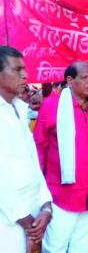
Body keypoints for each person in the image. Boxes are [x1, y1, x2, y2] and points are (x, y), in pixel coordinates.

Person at [34, 61, 88, 253]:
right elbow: (38, 150)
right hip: (61, 195)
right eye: (84, 78)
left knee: (82, 249)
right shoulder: (52, 106)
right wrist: (40, 193)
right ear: (70, 81)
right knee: (55, 248)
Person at [0, 46, 52, 253]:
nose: (25, 75)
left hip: (32, 216)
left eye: (24, 69)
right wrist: (28, 222)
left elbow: (32, 164)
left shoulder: (20, 110)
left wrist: (46, 206)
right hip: (10, 221)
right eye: (17, 70)